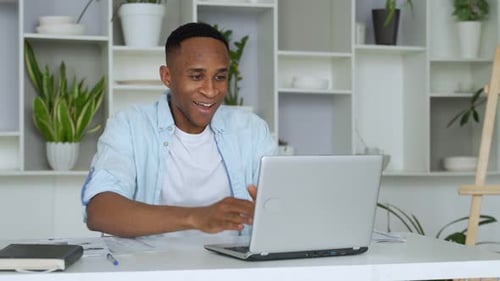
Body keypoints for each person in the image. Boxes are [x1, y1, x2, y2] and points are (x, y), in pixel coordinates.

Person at [80, 22, 277, 238]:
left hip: (235, 270)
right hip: (150, 268)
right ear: (167, 76)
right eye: (196, 76)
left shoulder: (252, 130)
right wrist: (196, 218)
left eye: (219, 77)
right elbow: (99, 211)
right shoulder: (130, 126)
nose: (210, 91)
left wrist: (275, 210)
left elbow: (283, 208)